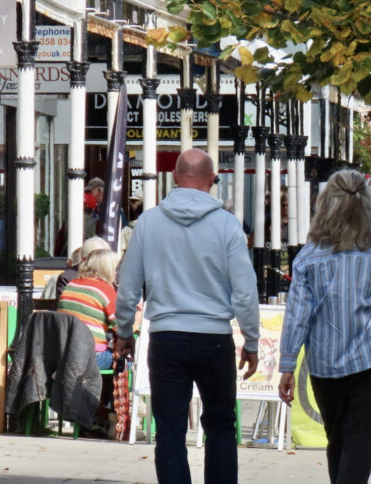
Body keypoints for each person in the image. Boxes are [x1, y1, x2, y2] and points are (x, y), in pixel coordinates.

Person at [114, 148, 260, 484]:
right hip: (214, 339)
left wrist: (124, 331)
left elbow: (129, 285)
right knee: (221, 426)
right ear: (212, 181)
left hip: (166, 337)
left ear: (176, 178)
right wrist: (251, 340)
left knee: (169, 430)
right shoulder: (227, 225)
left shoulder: (149, 222)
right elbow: (245, 290)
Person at [277, 170, 371, 484]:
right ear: (367, 205)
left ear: (325, 204)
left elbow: (297, 315)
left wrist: (287, 365)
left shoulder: (309, 255)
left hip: (324, 365)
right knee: (361, 438)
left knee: (337, 437)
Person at [58, 248, 120, 370]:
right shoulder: (105, 290)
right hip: (91, 356)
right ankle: (107, 389)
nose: (116, 273)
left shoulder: (71, 285)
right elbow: (121, 327)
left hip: (63, 354)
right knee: (126, 363)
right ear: (108, 269)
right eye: (115, 268)